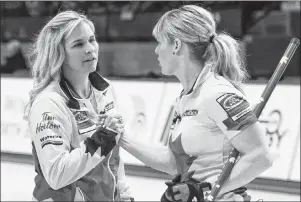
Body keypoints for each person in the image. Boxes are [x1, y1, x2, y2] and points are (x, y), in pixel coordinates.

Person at [119, 5, 275, 202]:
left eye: (159, 43)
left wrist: (202, 191)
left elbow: (261, 156)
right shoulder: (186, 97)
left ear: (176, 45)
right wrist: (121, 138)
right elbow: (173, 164)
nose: (157, 51)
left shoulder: (216, 93)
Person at [24, 10, 132, 201]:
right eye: (78, 44)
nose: (90, 48)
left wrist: (123, 193)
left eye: (92, 39)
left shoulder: (105, 91)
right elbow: (56, 175)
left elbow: (113, 157)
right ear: (59, 53)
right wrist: (102, 139)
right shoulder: (49, 103)